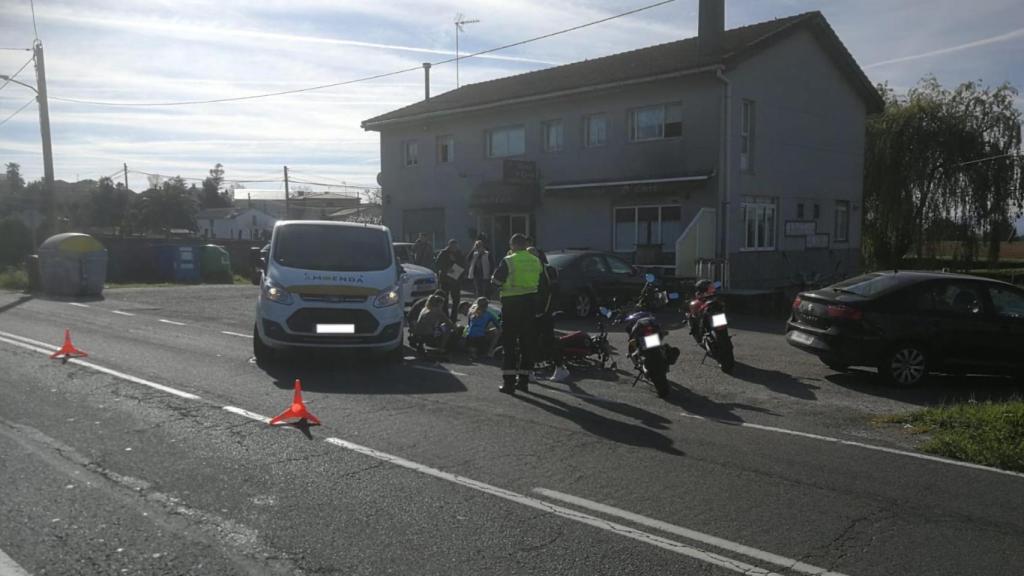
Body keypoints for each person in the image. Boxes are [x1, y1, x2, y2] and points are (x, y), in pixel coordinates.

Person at [491, 233, 546, 394]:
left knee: (509, 345)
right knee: (526, 344)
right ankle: (523, 382)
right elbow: (541, 281)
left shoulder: (509, 260)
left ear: (513, 245)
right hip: (530, 304)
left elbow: (496, 281)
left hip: (512, 305)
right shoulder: (536, 260)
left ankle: (509, 384)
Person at [434, 239, 466, 322]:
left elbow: (463, 264)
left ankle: (453, 317)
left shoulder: (459, 254)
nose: (454, 248)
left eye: (455, 246)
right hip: (445, 279)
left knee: (456, 300)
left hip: (456, 280)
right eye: (452, 246)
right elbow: (437, 264)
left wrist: (455, 262)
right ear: (449, 246)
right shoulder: (443, 253)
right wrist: (447, 270)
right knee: (444, 299)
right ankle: (445, 317)